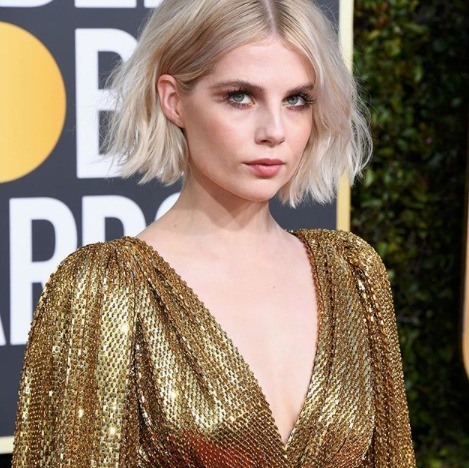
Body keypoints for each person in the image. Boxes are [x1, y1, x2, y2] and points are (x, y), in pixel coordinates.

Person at [12, 0, 416, 466]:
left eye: (296, 100)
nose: (274, 131)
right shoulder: (106, 287)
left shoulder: (350, 272)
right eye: (240, 96)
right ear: (173, 100)